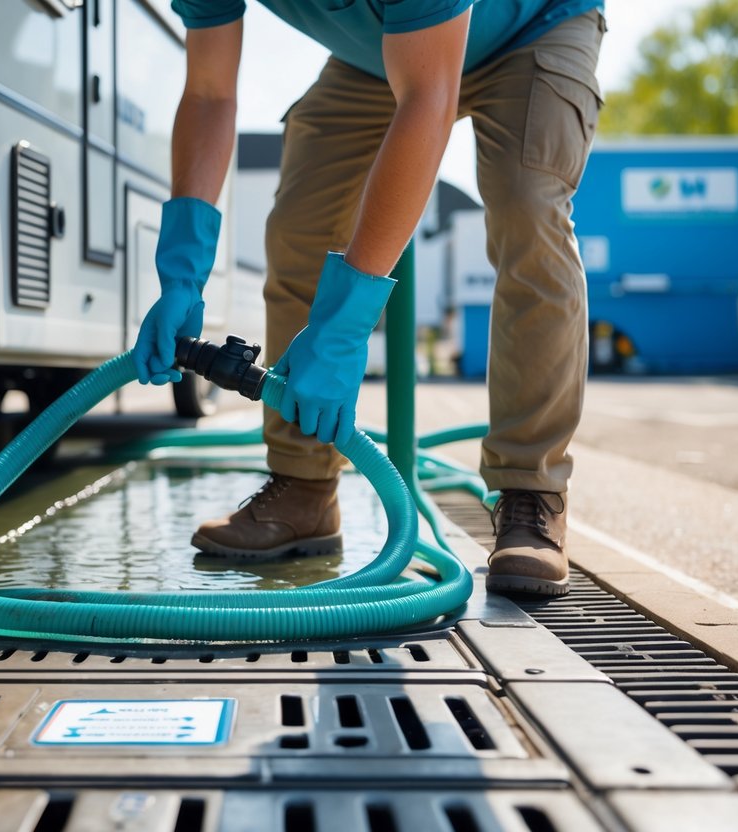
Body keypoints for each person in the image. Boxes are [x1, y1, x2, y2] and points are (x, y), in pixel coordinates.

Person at [132, 0, 606, 597]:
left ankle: (530, 495)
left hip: (531, 27)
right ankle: (303, 487)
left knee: (528, 210)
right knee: (302, 226)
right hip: (382, 52)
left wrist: (345, 325)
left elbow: (429, 98)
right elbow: (208, 93)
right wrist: (181, 273)